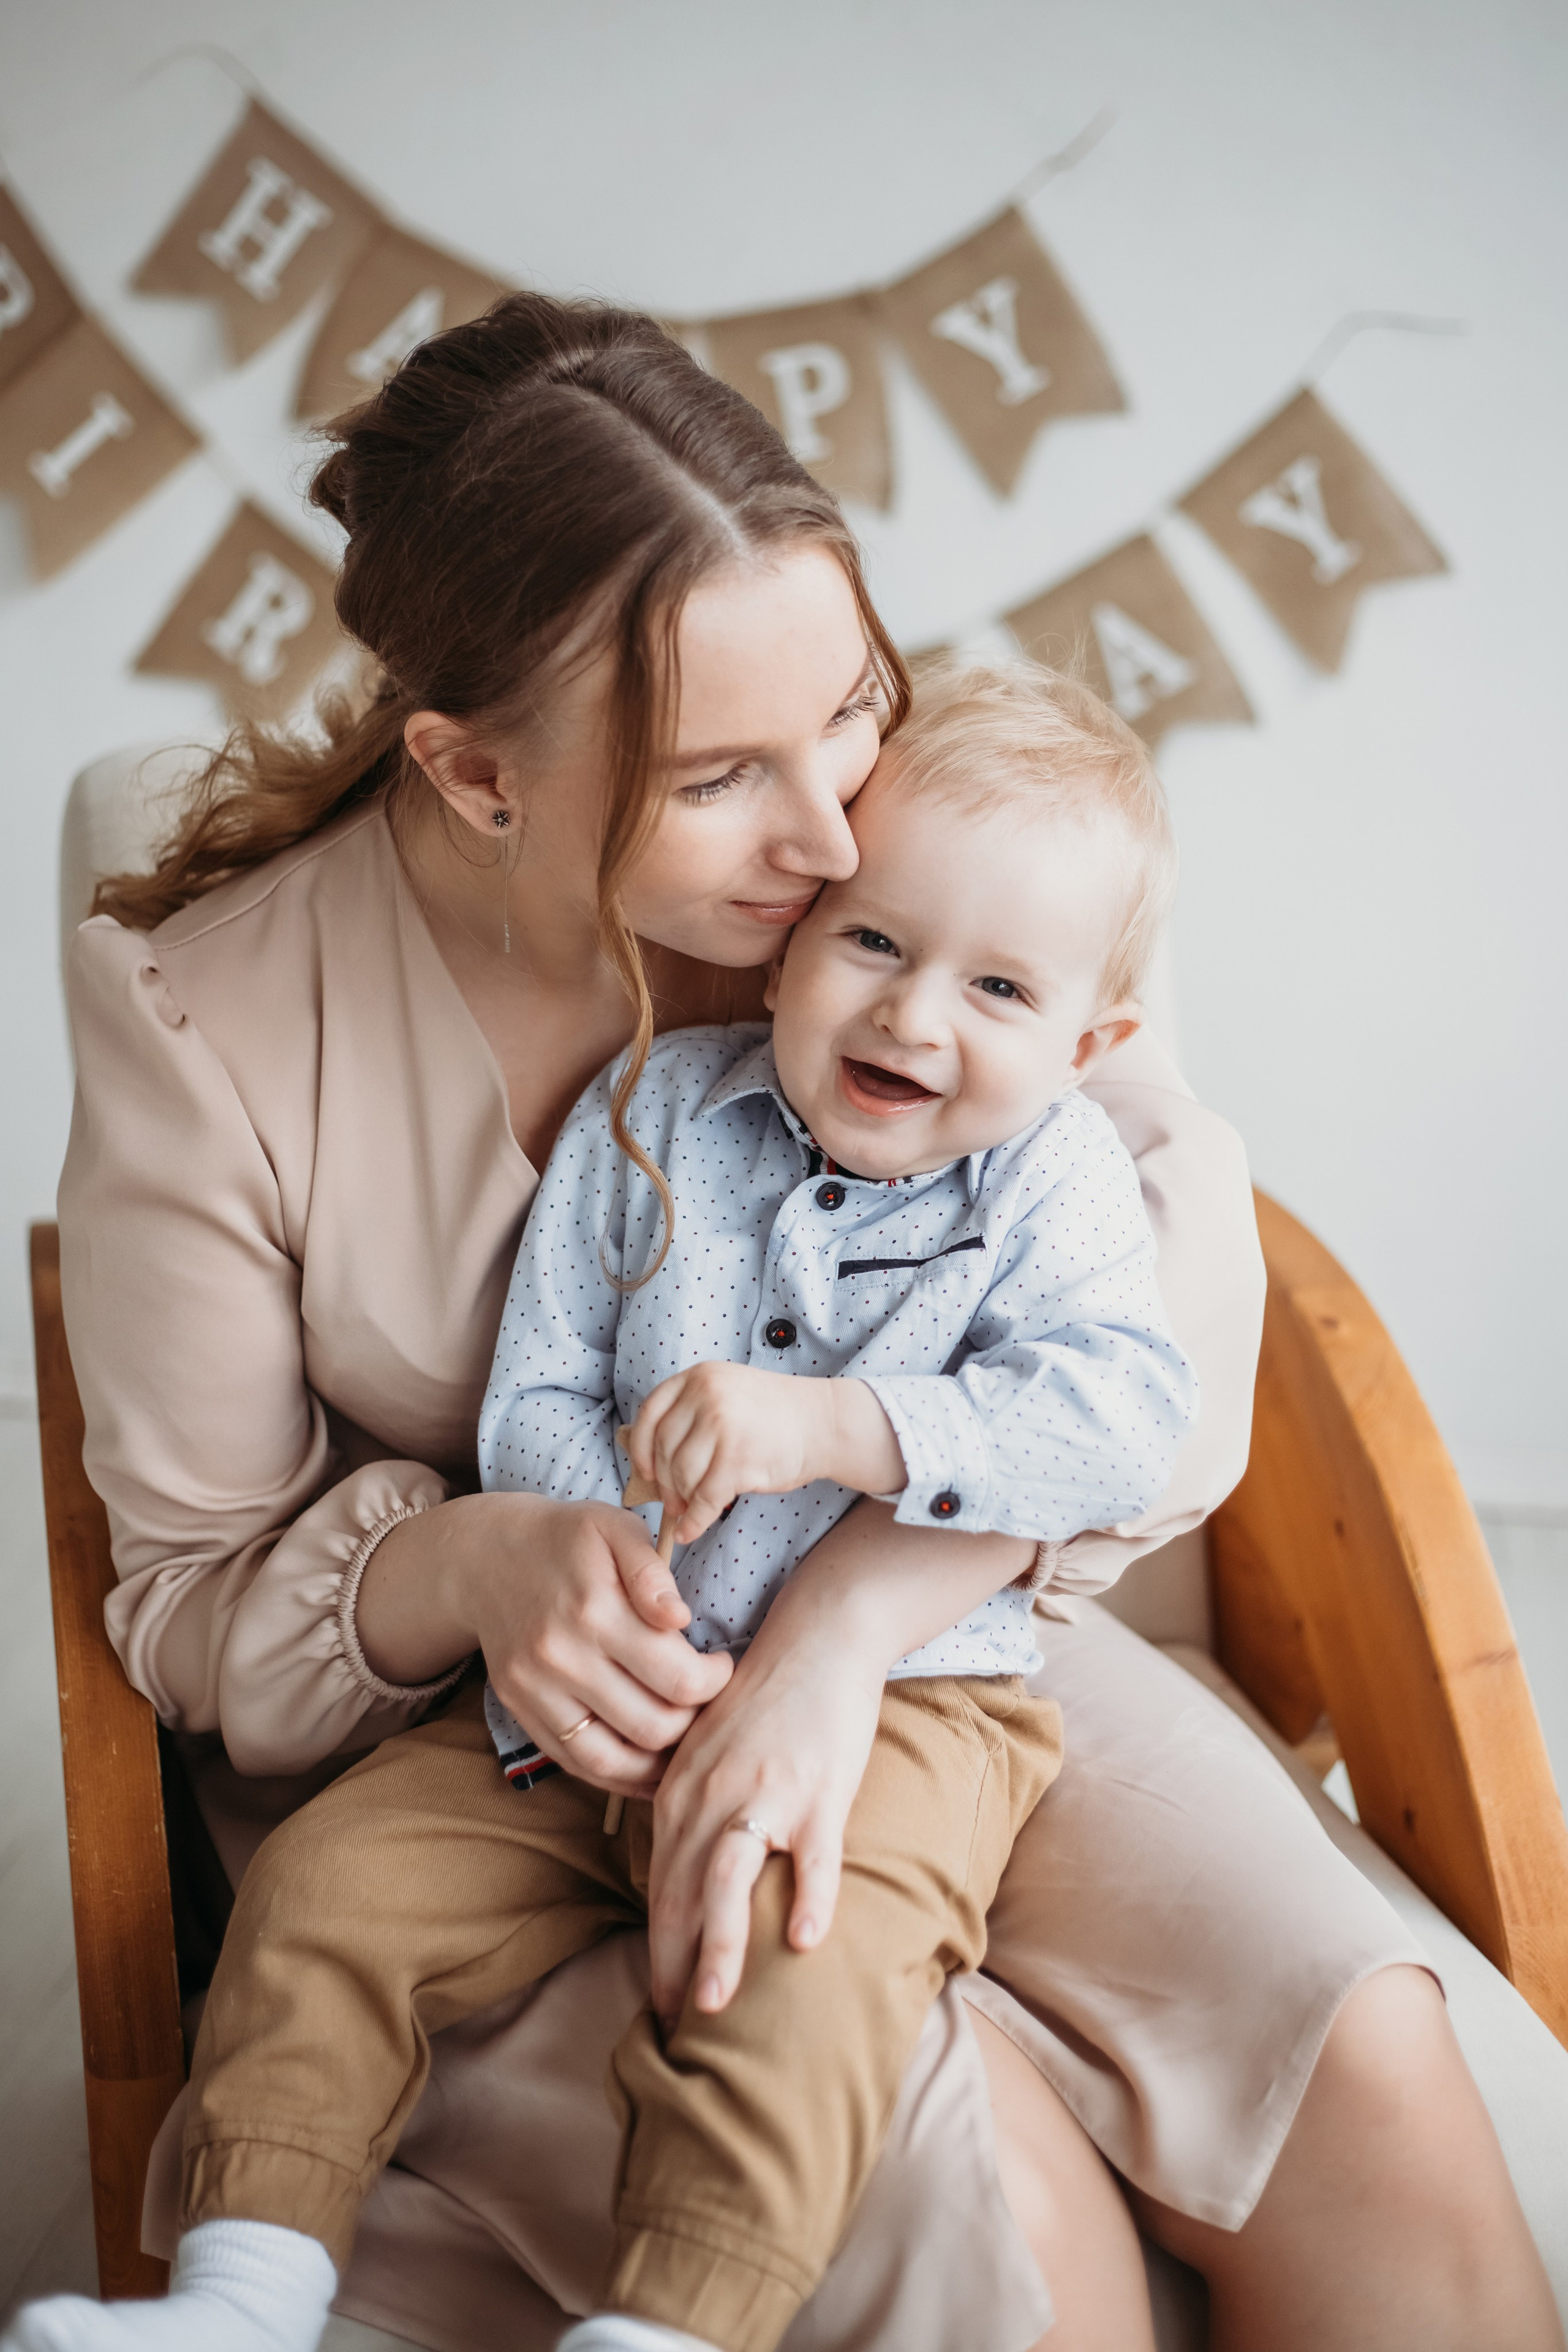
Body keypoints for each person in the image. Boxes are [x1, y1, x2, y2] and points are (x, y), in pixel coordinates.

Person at [14, 293, 1557, 2352]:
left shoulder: (908, 868)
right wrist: (469, 1560)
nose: (837, 833)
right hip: (508, 1736)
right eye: (723, 774)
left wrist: (839, 1634)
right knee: (961, 2178)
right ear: (477, 774)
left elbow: (1157, 1346)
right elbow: (192, 1610)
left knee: (1359, 2043)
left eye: (850, 706)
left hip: (944, 1628)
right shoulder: (216, 1023)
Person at [61, 662, 1196, 2352]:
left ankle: (674, 2328)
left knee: (787, 1977)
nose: (912, 1018)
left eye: (1001, 988)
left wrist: (839, 1427)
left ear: (1087, 1041)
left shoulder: (1059, 1181)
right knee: (329, 1893)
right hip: (583, 1682)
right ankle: (234, 2296)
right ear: (796, 937)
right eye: (874, 943)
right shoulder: (654, 1108)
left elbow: (1119, 1426)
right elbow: (537, 1391)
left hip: (893, 1710)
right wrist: (602, 1564)